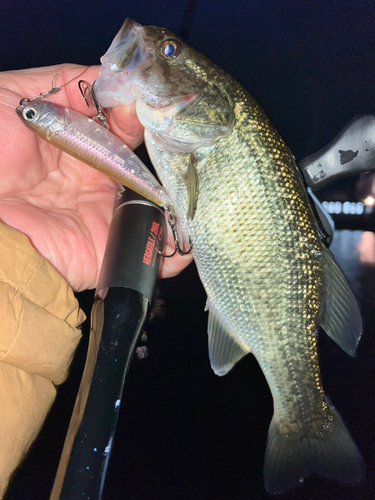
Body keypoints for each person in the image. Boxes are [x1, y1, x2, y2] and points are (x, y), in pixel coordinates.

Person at [0, 63, 193, 497]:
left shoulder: (49, 121)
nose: (31, 111)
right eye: (31, 115)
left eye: (31, 114)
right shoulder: (52, 120)